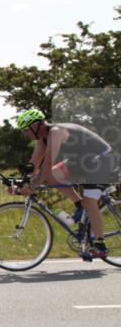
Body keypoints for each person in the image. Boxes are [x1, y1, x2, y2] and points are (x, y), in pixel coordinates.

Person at [14, 108, 116, 260]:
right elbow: (33, 166)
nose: (25, 134)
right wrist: (19, 184)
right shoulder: (42, 140)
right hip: (84, 161)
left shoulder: (56, 132)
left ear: (36, 126)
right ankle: (80, 206)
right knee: (53, 175)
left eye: (26, 130)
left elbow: (47, 165)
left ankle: (100, 245)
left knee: (89, 201)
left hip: (102, 160)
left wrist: (33, 186)